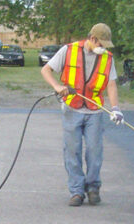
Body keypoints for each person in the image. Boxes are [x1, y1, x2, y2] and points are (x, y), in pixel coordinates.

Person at [40, 23, 124, 207]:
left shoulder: (107, 58)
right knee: (72, 151)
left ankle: (93, 188)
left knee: (95, 151)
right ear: (92, 39)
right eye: (101, 44)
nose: (103, 48)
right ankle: (77, 191)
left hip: (94, 111)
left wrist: (116, 108)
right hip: (72, 109)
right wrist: (57, 87)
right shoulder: (68, 51)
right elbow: (46, 70)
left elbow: (110, 84)